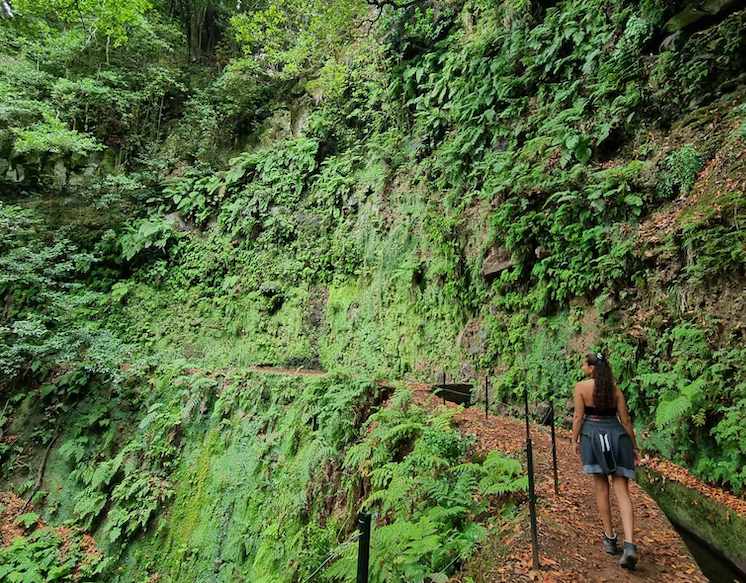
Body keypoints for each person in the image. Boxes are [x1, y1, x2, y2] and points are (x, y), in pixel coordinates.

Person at [572, 351, 640, 570]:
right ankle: (629, 544)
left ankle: (610, 539)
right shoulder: (616, 390)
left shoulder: (581, 388)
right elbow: (626, 420)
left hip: (593, 437)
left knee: (601, 489)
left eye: (584, 364)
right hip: (618, 438)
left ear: (591, 368)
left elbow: (578, 417)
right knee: (622, 491)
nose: (582, 367)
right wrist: (634, 445)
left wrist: (574, 439)